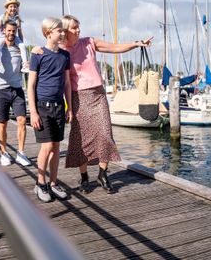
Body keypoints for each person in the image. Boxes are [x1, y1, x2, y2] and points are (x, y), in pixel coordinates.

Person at [60, 14, 152, 194]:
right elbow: (64, 81)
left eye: (79, 26)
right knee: (81, 139)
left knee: (105, 134)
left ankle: (102, 173)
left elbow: (114, 47)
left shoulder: (89, 42)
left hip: (98, 95)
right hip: (78, 97)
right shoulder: (61, 51)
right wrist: (35, 51)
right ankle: (84, 176)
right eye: (74, 28)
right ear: (65, 31)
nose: (78, 30)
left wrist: (136, 43)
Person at [28, 17, 73, 203]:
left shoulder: (65, 56)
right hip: (42, 107)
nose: (63, 33)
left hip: (58, 107)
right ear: (48, 33)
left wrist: (69, 107)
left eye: (63, 30)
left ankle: (53, 183)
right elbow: (30, 85)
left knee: (56, 146)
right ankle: (40, 183)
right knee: (46, 146)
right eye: (59, 31)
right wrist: (33, 112)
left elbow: (67, 84)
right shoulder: (38, 55)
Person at [0, 21, 32, 167]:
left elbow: (28, 64)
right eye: (9, 31)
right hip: (1, 89)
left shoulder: (20, 47)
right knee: (2, 123)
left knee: (22, 121)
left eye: (14, 31)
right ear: (4, 31)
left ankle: (21, 153)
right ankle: (4, 153)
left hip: (17, 89)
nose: (11, 33)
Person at [0, 0, 29, 74]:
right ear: (6, 8)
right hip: (3, 36)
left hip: (14, 37)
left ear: (17, 8)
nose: (13, 8)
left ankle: (25, 65)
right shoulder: (2, 17)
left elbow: (20, 31)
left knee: (22, 46)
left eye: (15, 6)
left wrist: (21, 42)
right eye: (11, 6)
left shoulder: (17, 18)